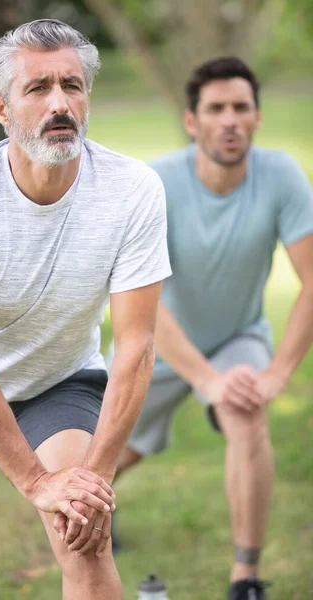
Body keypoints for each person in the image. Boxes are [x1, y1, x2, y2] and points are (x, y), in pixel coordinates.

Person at [0, 19, 171, 600]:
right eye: (38, 89)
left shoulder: (133, 189)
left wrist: (94, 478)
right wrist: (34, 482)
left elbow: (136, 346)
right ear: (2, 108)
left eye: (72, 86)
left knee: (84, 528)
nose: (61, 104)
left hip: (59, 379)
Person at [111, 57, 313, 600]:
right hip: (157, 339)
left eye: (241, 108)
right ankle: (98, 518)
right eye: (216, 109)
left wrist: (276, 372)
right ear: (191, 121)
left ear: (257, 118)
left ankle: (245, 577)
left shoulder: (282, 176)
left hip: (235, 338)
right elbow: (137, 304)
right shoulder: (155, 184)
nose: (230, 120)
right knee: (108, 453)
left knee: (246, 415)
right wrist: (203, 380)